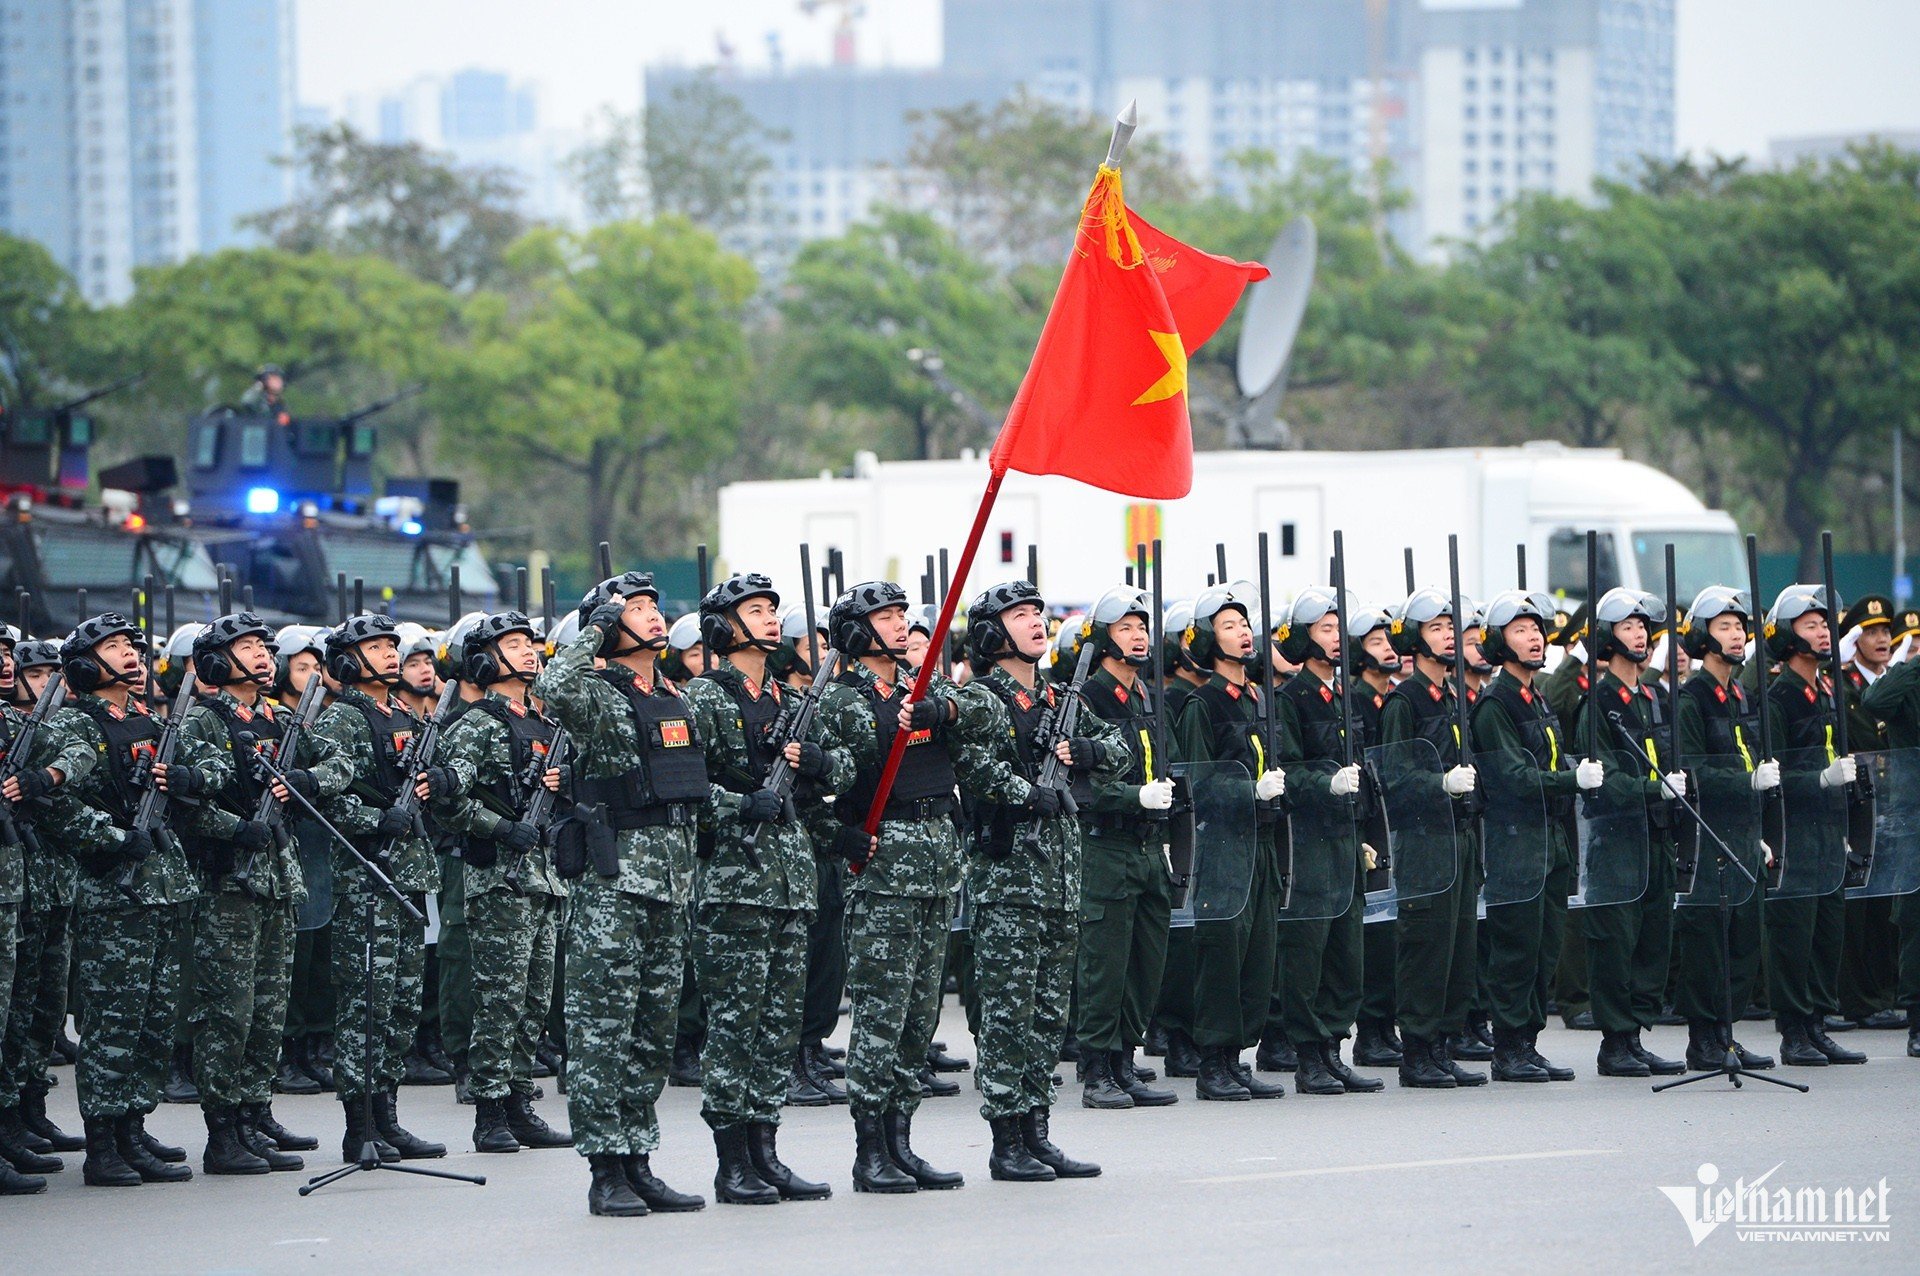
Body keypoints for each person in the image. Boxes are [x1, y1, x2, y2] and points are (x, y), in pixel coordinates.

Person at [531, 572, 709, 1218]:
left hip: (668, 885)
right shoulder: (600, 696)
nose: (653, 617)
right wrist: (594, 633)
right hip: (613, 887)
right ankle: (605, 1167)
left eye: (655, 607)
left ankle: (639, 1156)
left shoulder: (673, 696)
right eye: (635, 609)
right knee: (601, 1030)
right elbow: (551, 688)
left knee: (651, 1032)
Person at [807, 581, 972, 1194]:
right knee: (880, 1013)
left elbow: (974, 724)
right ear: (855, 632)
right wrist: (838, 836)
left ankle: (902, 1141)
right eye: (885, 616)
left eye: (903, 614)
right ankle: (870, 1148)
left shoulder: (919, 688)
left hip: (934, 862)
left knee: (919, 1014)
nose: (900, 625)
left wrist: (942, 710)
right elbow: (813, 785)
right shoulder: (841, 701)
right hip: (884, 868)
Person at [173, 613, 348, 1174]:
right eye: (247, 647)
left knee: (269, 1008)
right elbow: (185, 797)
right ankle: (223, 1130)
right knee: (229, 1009)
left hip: (277, 877)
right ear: (219, 663)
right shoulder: (200, 722)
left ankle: (254, 1110)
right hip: (227, 882)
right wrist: (235, 828)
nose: (263, 656)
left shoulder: (278, 717)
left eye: (263, 647)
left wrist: (307, 783)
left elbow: (341, 762)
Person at [680, 574, 836, 1203]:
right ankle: (732, 1160)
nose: (771, 619)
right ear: (725, 625)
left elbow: (838, 770)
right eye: (755, 609)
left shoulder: (789, 697)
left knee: (777, 1027)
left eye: (773, 609)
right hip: (736, 886)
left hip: (791, 881)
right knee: (735, 1027)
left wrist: (819, 765)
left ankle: (767, 1151)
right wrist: (742, 804)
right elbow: (684, 788)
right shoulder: (705, 698)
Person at [951, 581, 1112, 1181]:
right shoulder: (985, 699)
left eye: (1040, 615)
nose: (1037, 624)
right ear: (994, 633)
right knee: (1007, 1013)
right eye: (1021, 616)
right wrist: (1029, 792)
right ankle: (1006, 1138)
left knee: (1049, 1013)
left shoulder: (1060, 697)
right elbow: (977, 768)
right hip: (1010, 878)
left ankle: (1038, 1130)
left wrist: (1085, 751)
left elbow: (1118, 745)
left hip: (1061, 879)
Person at [50, 614, 201, 1186]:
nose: (131, 656)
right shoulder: (75, 725)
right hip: (114, 892)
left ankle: (134, 1126)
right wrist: (116, 839)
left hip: (160, 887)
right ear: (89, 665)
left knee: (155, 1019)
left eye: (132, 647)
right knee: (114, 1020)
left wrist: (184, 778)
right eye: (115, 648)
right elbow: (58, 805)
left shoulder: (146, 718)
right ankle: (103, 1142)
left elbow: (201, 778)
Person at [429, 612, 573, 1155]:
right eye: (514, 645)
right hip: (500, 879)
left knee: (535, 999)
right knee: (501, 999)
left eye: (530, 643)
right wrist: (502, 828)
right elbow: (448, 798)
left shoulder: (543, 722)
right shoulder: (478, 724)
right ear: (487, 660)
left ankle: (518, 1101)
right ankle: (490, 1111)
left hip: (545, 877)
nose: (529, 653)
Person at [309, 614, 448, 1163]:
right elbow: (324, 797)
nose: (391, 655)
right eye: (375, 647)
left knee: (401, 1003)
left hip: (408, 876)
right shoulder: (341, 720)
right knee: (366, 1003)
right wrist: (374, 819)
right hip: (366, 878)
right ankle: (359, 1124)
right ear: (347, 661)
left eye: (393, 646)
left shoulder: (402, 715)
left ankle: (388, 1115)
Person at [1174, 582, 1290, 1101]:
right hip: (1224, 844)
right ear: (1205, 640)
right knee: (1223, 949)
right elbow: (1200, 779)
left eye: (1245, 624)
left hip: (1264, 839)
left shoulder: (1259, 697)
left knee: (1258, 952)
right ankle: (1212, 1060)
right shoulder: (1204, 704)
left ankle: (1238, 1054)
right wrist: (1248, 788)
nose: (1243, 633)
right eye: (1229, 626)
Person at [1470, 590, 1591, 1083]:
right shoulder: (1496, 703)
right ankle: (1508, 1047)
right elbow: (1514, 778)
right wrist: (1571, 779)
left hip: (1549, 842)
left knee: (1543, 950)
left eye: (1537, 629)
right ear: (1500, 641)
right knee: (1516, 950)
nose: (1535, 637)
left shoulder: (1535, 695)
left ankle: (1528, 1041)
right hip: (1516, 843)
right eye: (1521, 630)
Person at [1070, 588, 1180, 1110]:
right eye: (1126, 628)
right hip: (1106, 845)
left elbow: (1170, 762)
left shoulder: (1145, 696)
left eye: (1143, 627)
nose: (1139, 636)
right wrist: (1132, 795)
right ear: (1103, 638)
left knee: (1145, 960)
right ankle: (1096, 1068)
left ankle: (1124, 1060)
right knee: (1105, 963)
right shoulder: (1085, 698)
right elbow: (1077, 784)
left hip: (1149, 845)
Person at [1575, 588, 1686, 1078]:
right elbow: (1601, 776)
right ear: (1607, 637)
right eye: (1627, 626)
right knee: (1616, 940)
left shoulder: (1654, 696)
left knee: (1652, 937)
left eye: (1643, 626)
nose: (1639, 633)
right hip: (1617, 837)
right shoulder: (1598, 700)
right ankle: (1614, 1041)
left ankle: (1635, 1033)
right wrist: (1650, 790)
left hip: (1657, 834)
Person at [0, 637, 94, 1192]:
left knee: (34, 1006)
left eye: (7, 656)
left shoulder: (18, 723)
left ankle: (19, 1117)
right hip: (21, 883)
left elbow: (79, 753)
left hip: (34, 880)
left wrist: (46, 778)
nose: (7, 666)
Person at [1759, 585, 1867, 1067]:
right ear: (1787, 634)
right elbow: (1776, 774)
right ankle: (1794, 1031)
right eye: (1810, 624)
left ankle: (1818, 1023)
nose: (1823, 632)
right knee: (1795, 933)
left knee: (1827, 929)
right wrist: (1821, 779)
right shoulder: (1779, 697)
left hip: (1829, 828)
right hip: (1796, 829)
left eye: (1825, 623)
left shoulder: (1828, 688)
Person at [1381, 587, 1485, 1088]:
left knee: (1459, 945)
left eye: (1452, 628)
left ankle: (1443, 1042)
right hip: (1424, 839)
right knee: (1426, 944)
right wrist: (1438, 783)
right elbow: (1394, 776)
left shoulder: (1453, 694)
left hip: (1460, 835)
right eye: (1437, 628)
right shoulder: (1406, 699)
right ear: (1415, 640)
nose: (1448, 636)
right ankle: (1417, 1049)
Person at [1670, 586, 1777, 1071]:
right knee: (1709, 943)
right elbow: (1691, 771)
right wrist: (1745, 779)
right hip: (1708, 834)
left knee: (1742, 941)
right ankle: (1704, 1038)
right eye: (1724, 627)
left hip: (1742, 833)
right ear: (1701, 635)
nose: (1736, 635)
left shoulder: (1741, 694)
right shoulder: (1690, 699)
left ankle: (1727, 1035)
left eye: (1739, 627)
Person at [1346, 604, 1404, 1068]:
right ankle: (1370, 1028)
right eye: (1376, 642)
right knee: (1374, 933)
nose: (1388, 648)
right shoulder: (1356, 701)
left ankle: (1386, 1025)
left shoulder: (1391, 700)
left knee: (1393, 932)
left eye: (1389, 640)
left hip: (1394, 821)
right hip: (1368, 824)